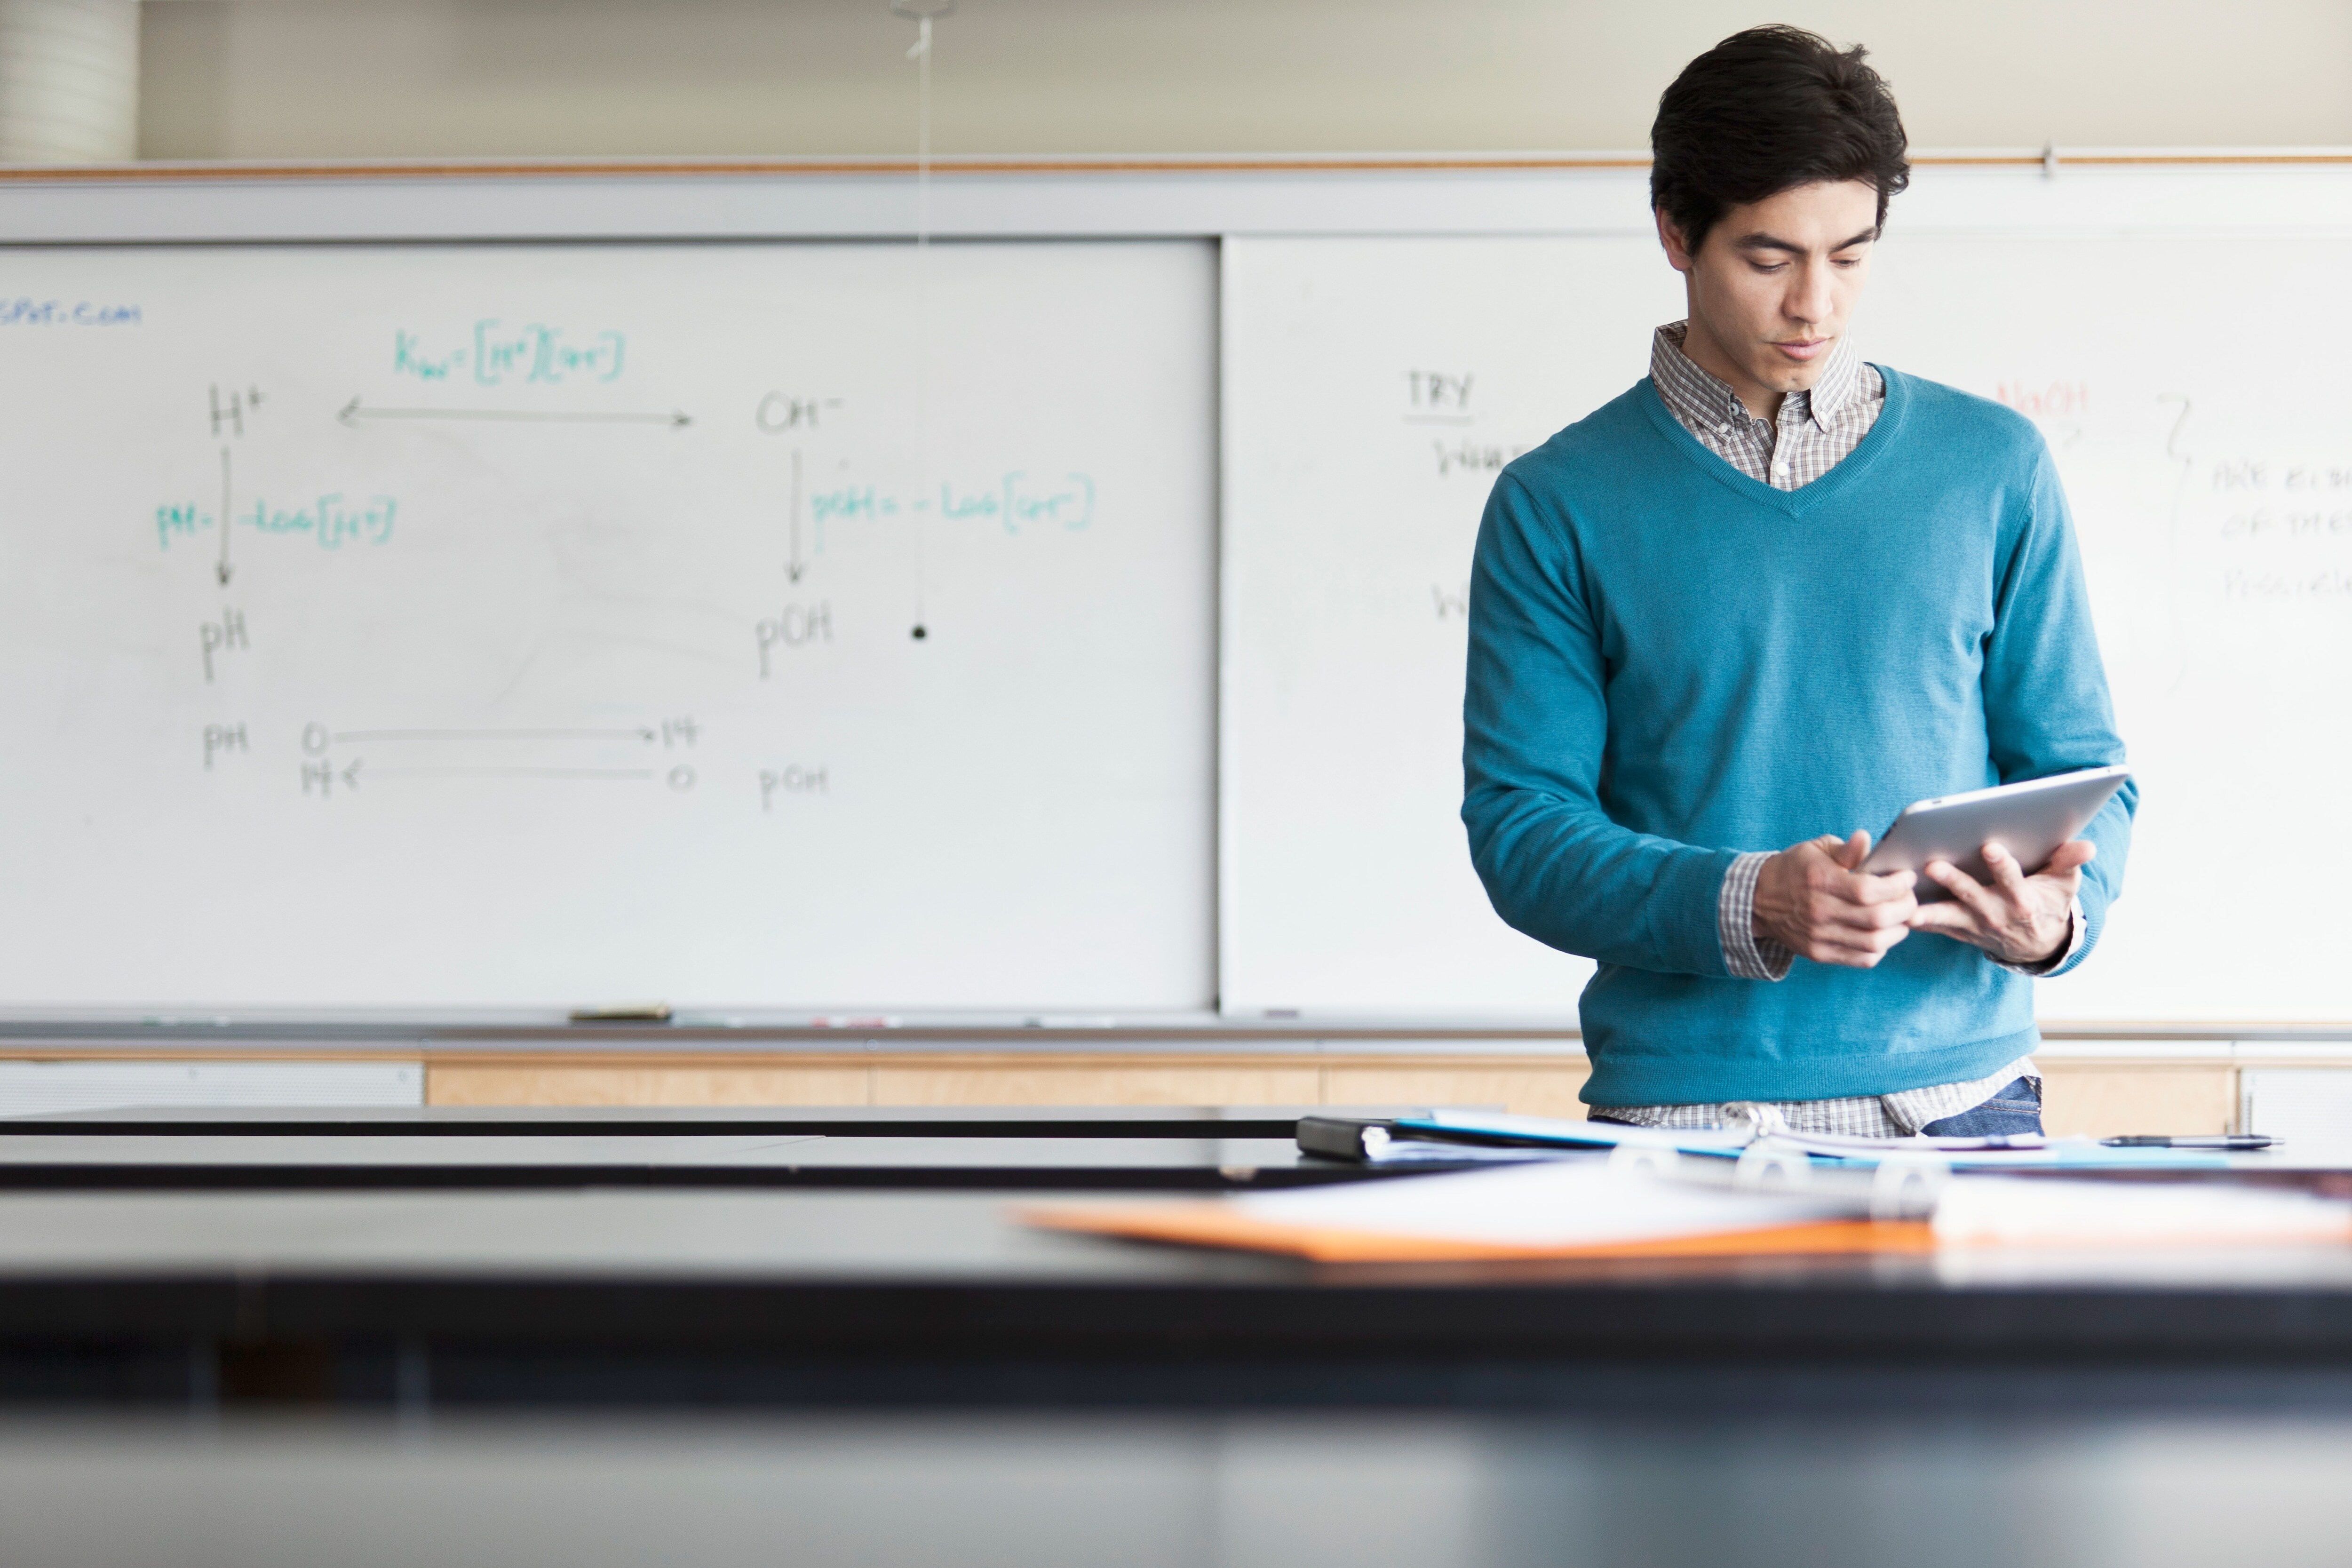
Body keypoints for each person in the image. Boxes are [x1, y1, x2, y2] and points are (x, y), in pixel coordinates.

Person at [1460, 24, 2134, 1137]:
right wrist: (1752, 898)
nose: (1814, 305)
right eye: (1769, 260)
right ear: (1675, 231)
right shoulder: (1555, 501)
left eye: (1850, 256)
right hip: (1686, 1116)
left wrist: (2058, 919)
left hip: (1964, 1101)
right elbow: (1523, 829)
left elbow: (2082, 772)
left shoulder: (1993, 466)